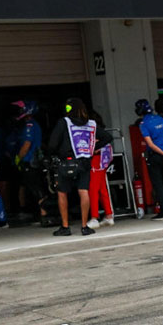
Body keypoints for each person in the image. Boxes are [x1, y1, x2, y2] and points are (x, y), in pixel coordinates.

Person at [47, 97, 97, 236]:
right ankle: (84, 226)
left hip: (66, 162)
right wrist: (92, 148)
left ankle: (65, 226)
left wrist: (54, 153)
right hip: (84, 161)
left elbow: (52, 144)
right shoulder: (91, 124)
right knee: (83, 191)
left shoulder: (64, 122)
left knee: (62, 193)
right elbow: (107, 138)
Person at [136, 98, 163, 221]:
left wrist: (162, 153)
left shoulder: (143, 124)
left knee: (158, 184)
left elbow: (150, 144)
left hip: (156, 156)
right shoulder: (159, 119)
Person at [11, 100, 48, 224]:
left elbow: (26, 145)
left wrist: (18, 158)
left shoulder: (30, 125)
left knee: (35, 187)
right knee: (31, 188)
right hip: (32, 161)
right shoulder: (32, 125)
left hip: (31, 161)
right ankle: (40, 214)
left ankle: (44, 215)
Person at [87, 110, 114, 228]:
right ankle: (108, 215)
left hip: (96, 160)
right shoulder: (102, 131)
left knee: (93, 189)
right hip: (102, 161)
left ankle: (94, 217)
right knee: (102, 189)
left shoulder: (94, 132)